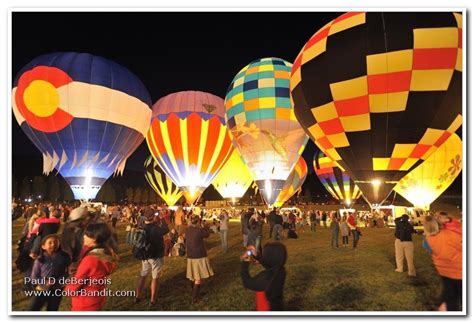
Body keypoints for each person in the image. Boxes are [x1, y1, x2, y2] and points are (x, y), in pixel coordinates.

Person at [65, 223, 118, 311]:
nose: (84, 236)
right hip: (97, 298)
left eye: (87, 235)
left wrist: (66, 287)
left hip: (84, 303)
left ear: (95, 238)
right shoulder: (106, 252)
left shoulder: (91, 260)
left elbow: (74, 286)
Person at [424, 216, 462, 311]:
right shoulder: (449, 234)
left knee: (450, 299)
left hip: (444, 272)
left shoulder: (427, 239)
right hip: (460, 271)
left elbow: (430, 251)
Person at [135, 211, 169, 308]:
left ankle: (138, 295)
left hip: (145, 256)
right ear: (152, 217)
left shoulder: (141, 226)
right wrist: (162, 219)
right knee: (155, 277)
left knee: (143, 274)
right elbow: (166, 229)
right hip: (156, 255)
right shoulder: (156, 228)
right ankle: (153, 299)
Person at [28, 234, 71, 311]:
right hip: (41, 289)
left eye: (55, 242)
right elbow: (34, 277)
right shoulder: (40, 260)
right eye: (50, 242)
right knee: (33, 309)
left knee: (52, 310)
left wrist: (60, 281)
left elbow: (67, 273)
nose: (53, 244)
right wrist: (44, 282)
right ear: (43, 246)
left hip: (57, 289)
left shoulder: (64, 257)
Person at [240, 242, 287, 311]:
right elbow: (270, 264)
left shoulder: (265, 278)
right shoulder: (281, 270)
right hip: (278, 307)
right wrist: (256, 254)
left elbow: (247, 282)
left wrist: (245, 263)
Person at [185, 216, 214, 304]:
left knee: (192, 276)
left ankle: (195, 292)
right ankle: (195, 298)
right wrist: (203, 226)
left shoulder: (187, 230)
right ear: (198, 222)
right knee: (198, 278)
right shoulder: (199, 230)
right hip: (199, 256)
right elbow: (207, 234)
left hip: (190, 255)